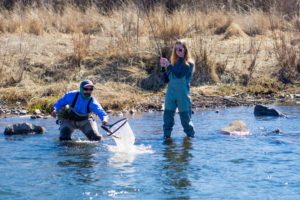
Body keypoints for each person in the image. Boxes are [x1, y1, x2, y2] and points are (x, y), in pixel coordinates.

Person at [160, 40, 195, 139]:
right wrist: (163, 68)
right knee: (167, 120)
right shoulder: (172, 63)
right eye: (176, 49)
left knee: (185, 122)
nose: (177, 52)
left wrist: (169, 65)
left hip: (183, 96)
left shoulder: (189, 64)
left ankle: (190, 139)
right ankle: (167, 140)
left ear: (185, 50)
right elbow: (166, 80)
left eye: (180, 49)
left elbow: (179, 74)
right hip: (170, 94)